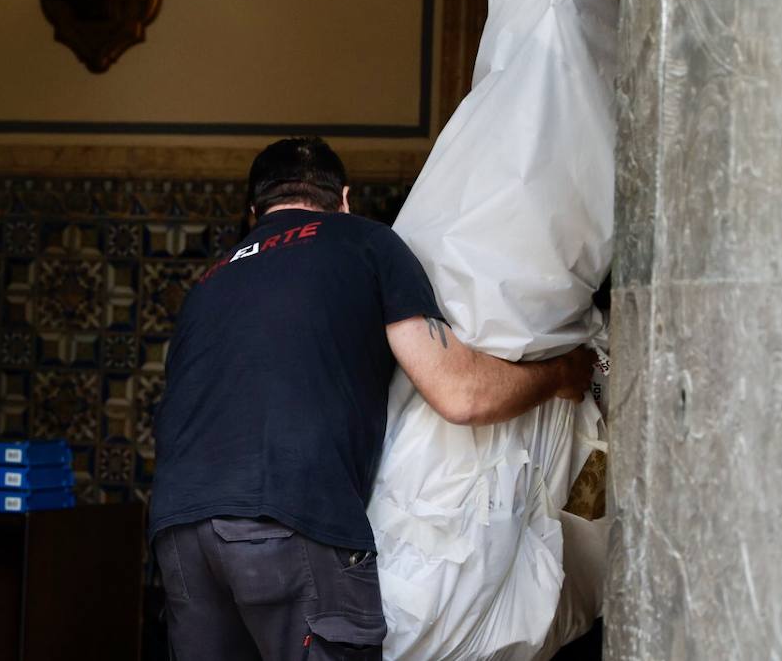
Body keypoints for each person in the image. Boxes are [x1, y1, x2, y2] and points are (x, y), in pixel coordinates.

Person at [148, 137, 594, 660]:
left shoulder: (209, 282)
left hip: (179, 534)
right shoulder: (365, 243)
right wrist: (560, 373)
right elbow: (460, 394)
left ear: (254, 214)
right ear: (344, 199)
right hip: (290, 518)